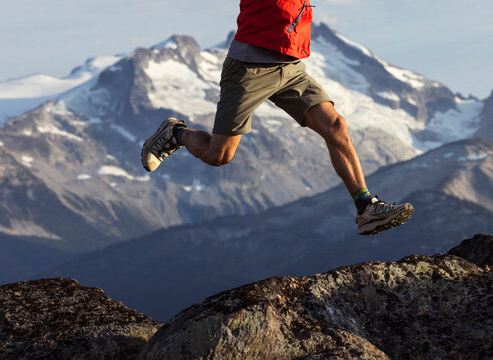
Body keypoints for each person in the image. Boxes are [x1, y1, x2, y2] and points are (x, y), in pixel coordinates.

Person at [141, 0, 413, 235]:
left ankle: (366, 209)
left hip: (289, 65)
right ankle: (175, 134)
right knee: (219, 155)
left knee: (336, 126)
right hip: (249, 67)